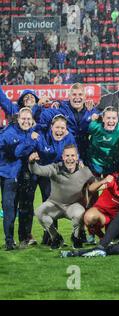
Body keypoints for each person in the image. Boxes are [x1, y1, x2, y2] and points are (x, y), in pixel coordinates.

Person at [29, 144, 94, 249]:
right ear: (63, 157)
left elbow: (94, 184)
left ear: (77, 157)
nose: (70, 159)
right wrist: (32, 162)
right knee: (39, 212)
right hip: (55, 204)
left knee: (80, 213)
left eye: (72, 155)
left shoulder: (85, 171)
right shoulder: (55, 168)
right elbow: (37, 170)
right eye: (67, 156)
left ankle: (76, 238)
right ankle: (56, 237)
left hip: (73, 205)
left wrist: (105, 182)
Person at [0, 108, 35, 250]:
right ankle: (9, 241)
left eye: (28, 119)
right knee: (10, 209)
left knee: (24, 207)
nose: (26, 121)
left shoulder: (28, 132)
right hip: (8, 175)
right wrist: (30, 141)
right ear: (18, 119)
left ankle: (22, 239)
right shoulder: (10, 133)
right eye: (23, 119)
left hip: (21, 175)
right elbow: (16, 152)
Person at [37, 83, 98, 161]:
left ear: (85, 97)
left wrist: (98, 117)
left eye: (80, 94)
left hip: (87, 152)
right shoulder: (61, 108)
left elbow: (104, 118)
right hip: (66, 153)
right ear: (69, 96)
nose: (77, 97)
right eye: (74, 94)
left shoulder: (91, 111)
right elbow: (44, 116)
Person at [86, 107, 119, 175]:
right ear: (103, 119)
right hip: (96, 162)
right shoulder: (94, 127)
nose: (111, 121)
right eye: (108, 118)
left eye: (114, 118)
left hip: (112, 163)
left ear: (117, 119)